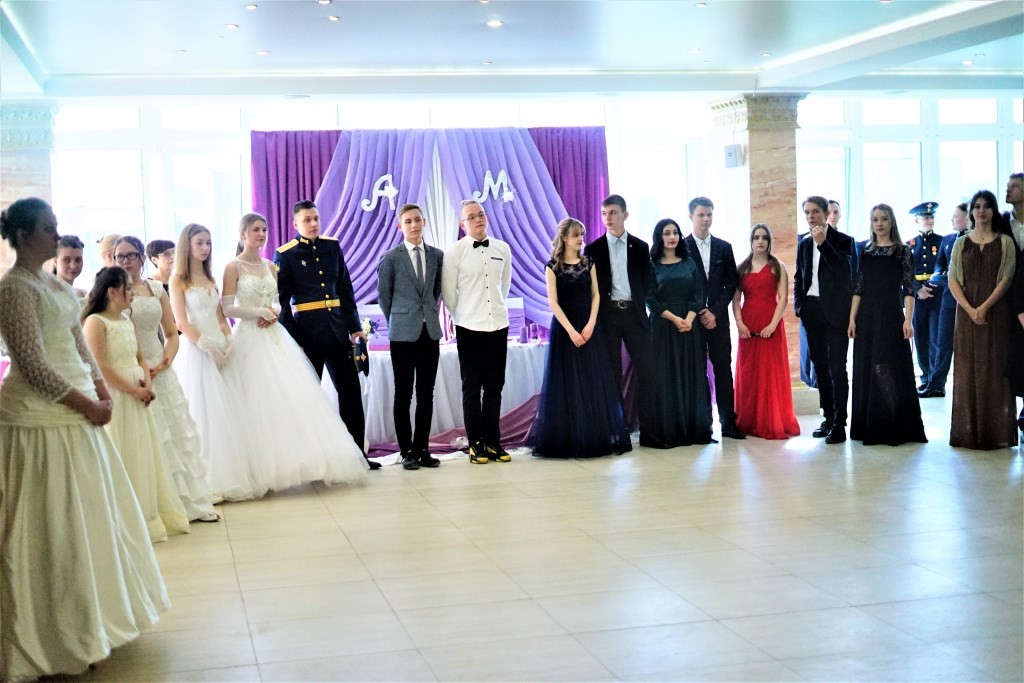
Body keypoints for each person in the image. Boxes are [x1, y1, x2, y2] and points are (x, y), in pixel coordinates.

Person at [0, 198, 168, 682]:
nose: (57, 236)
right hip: (38, 420)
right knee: (48, 521)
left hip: (80, 413)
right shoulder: (13, 289)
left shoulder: (55, 285)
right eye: (48, 229)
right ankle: (51, 635)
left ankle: (95, 621)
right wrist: (86, 404)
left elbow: (78, 345)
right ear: (24, 236)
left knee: (90, 513)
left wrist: (102, 392)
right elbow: (32, 364)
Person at [222, 212, 369, 486]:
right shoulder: (262, 260)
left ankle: (353, 454)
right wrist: (273, 320)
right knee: (264, 400)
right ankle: (260, 466)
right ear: (243, 234)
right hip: (285, 335)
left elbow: (283, 300)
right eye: (255, 230)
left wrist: (273, 313)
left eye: (264, 229)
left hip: (326, 331)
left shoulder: (274, 264)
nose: (261, 234)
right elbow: (228, 307)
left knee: (325, 397)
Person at [82, 266, 192, 541]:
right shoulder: (95, 322)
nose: (132, 292)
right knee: (121, 450)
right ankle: (121, 520)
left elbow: (140, 357)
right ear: (112, 292)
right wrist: (133, 389)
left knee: (141, 452)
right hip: (117, 393)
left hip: (138, 392)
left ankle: (147, 515)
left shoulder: (125, 320)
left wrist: (147, 382)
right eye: (128, 288)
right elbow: (100, 366)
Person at [115, 235, 218, 523]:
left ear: (141, 257)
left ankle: (187, 503)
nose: (125, 261)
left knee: (175, 434)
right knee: (147, 437)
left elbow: (172, 333)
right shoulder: (112, 291)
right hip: (132, 370)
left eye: (130, 255)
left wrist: (166, 360)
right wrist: (139, 367)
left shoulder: (155, 288)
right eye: (119, 256)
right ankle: (152, 507)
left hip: (161, 366)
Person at [275, 200, 380, 469]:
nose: (313, 224)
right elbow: (282, 304)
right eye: (306, 220)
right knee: (307, 398)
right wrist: (295, 340)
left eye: (316, 219)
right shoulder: (285, 254)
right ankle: (309, 460)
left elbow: (345, 289)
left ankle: (358, 456)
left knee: (351, 394)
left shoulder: (332, 247)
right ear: (295, 224)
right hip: (308, 336)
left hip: (337, 331)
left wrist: (354, 328)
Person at [171, 223, 265, 499]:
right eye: (199, 243)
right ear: (187, 245)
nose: (205, 248)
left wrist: (229, 337)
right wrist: (207, 346)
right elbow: (181, 322)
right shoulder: (178, 280)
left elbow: (220, 315)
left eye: (208, 243)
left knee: (230, 414)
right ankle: (208, 482)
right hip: (198, 350)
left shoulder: (210, 278)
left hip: (223, 348)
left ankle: (234, 475)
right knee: (205, 415)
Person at [527, 218, 631, 458]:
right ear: (564, 238)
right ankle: (568, 438)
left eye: (582, 235)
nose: (581, 239)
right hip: (566, 330)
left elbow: (596, 295)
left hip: (589, 327)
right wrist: (571, 331)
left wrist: (591, 323)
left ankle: (594, 435)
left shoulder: (588, 263)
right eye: (576, 235)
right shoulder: (552, 267)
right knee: (566, 383)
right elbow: (553, 303)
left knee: (591, 379)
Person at [847, 205, 928, 446]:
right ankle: (869, 424)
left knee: (889, 366)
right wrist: (852, 318)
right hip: (866, 317)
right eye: (875, 219)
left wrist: (908, 319)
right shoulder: (864, 251)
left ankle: (894, 422)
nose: (879, 223)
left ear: (891, 222)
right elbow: (858, 288)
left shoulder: (903, 252)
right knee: (867, 367)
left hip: (891, 315)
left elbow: (909, 289)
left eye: (883, 219)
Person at [442, 199, 513, 464]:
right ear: (463, 225)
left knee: (495, 387)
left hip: (498, 324)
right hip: (469, 327)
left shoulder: (502, 248)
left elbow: (504, 286)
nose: (478, 219)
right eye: (471, 217)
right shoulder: (454, 252)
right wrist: (462, 315)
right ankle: (476, 444)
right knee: (471, 388)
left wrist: (494, 310)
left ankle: (493, 442)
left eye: (480, 214)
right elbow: (449, 293)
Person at [584, 194, 657, 445]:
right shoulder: (593, 249)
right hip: (608, 316)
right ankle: (617, 431)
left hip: (634, 314)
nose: (608, 218)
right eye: (604, 213)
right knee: (611, 373)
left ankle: (649, 432)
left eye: (613, 213)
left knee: (647, 371)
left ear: (625, 215)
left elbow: (648, 281)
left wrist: (642, 302)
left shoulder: (640, 247)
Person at [948, 190, 1017, 450]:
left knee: (995, 369)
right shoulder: (961, 243)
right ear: (971, 212)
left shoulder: (1005, 242)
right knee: (967, 370)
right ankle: (968, 433)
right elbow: (953, 279)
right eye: (977, 206)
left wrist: (984, 307)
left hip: (996, 314)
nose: (981, 210)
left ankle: (995, 432)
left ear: (993, 210)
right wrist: (970, 309)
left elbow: (1006, 278)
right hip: (966, 316)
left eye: (987, 206)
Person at [377, 203, 444, 470]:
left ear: (424, 222)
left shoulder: (437, 255)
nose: (414, 225)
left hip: (430, 332)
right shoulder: (391, 258)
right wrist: (400, 319)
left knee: (426, 393)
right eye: (408, 221)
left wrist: (426, 314)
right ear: (400, 226)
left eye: (417, 220)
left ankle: (422, 448)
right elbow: (384, 297)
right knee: (403, 393)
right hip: (402, 334)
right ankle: (406, 451)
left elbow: (436, 291)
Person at [794, 195, 858, 445]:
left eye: (815, 212)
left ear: (826, 213)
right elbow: (799, 276)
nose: (811, 216)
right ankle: (829, 417)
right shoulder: (803, 243)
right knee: (820, 367)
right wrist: (799, 306)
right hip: (811, 311)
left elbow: (845, 273)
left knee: (837, 368)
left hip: (836, 312)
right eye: (807, 212)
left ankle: (840, 423)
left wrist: (823, 244)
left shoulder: (844, 241)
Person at [645, 219, 715, 447]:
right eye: (667, 233)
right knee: (666, 375)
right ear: (659, 237)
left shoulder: (689, 262)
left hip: (689, 325)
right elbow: (650, 298)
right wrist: (675, 319)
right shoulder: (652, 265)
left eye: (675, 232)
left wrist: (689, 319)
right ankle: (670, 431)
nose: (672, 237)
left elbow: (698, 294)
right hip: (663, 326)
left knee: (691, 373)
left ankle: (693, 429)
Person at [683, 197, 745, 439]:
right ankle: (703, 425)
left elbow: (731, 283)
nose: (706, 219)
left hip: (718, 319)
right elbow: (683, 285)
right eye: (701, 215)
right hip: (694, 319)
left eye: (709, 214)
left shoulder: (724, 247)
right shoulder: (682, 247)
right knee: (698, 371)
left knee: (723, 369)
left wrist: (715, 311)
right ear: (691, 216)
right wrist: (701, 311)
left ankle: (728, 423)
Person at [732, 224, 800, 440]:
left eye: (764, 238)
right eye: (756, 237)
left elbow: (783, 299)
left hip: (771, 325)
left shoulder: (778, 266)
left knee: (770, 372)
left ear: (769, 241)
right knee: (749, 373)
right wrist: (740, 323)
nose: (760, 241)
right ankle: (748, 421)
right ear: (751, 241)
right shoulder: (741, 268)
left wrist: (772, 325)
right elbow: (736, 300)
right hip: (748, 326)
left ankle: (771, 420)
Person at [921, 203, 969, 399]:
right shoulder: (948, 239)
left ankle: (966, 385)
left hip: (970, 298)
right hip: (948, 297)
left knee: (967, 344)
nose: (952, 220)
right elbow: (940, 263)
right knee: (942, 342)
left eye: (955, 216)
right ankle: (936, 385)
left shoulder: (975, 239)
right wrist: (938, 275)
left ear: (967, 218)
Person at [906, 202, 944, 395]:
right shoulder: (909, 245)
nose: (929, 220)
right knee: (921, 339)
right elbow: (905, 272)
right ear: (916, 220)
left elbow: (944, 267)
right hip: (917, 298)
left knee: (936, 339)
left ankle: (936, 382)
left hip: (937, 295)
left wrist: (931, 286)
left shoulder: (942, 241)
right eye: (925, 217)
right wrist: (917, 289)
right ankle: (925, 378)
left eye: (931, 217)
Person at [1004, 173, 1024, 439]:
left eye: (1015, 187)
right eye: (1007, 186)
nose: (1008, 191)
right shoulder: (1001, 222)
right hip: (1006, 301)